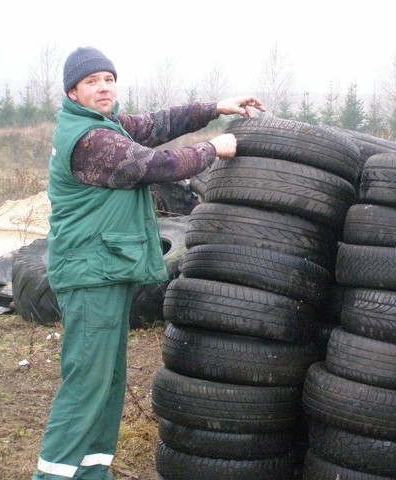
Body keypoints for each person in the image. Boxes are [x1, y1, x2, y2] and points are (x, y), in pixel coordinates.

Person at [32, 46, 265, 480]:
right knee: (87, 386)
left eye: (108, 79)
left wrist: (215, 107)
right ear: (73, 92)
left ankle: (89, 473)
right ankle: (52, 477)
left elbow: (158, 125)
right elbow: (153, 164)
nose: (103, 88)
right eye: (91, 82)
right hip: (89, 275)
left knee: (107, 383)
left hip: (105, 269)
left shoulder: (106, 124)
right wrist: (213, 149)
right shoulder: (90, 139)